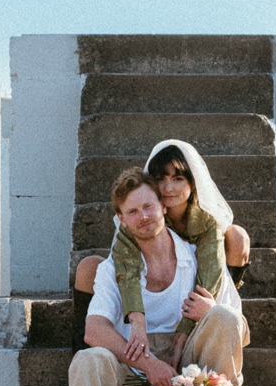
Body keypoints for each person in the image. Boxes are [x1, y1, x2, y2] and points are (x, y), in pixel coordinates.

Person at [57, 167, 249, 386]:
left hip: (190, 364)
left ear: (162, 206)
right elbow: (94, 329)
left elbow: (237, 323)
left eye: (148, 206)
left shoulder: (197, 256)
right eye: (132, 211)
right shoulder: (114, 266)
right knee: (88, 359)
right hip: (134, 367)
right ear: (121, 219)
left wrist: (211, 308)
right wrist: (149, 364)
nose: (143, 217)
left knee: (223, 317)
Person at [73, 140, 251, 356]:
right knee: (88, 267)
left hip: (199, 286)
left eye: (178, 179)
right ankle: (81, 355)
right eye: (160, 179)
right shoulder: (143, 217)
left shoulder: (206, 224)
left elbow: (209, 276)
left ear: (192, 183)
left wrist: (205, 316)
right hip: (151, 282)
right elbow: (126, 267)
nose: (168, 188)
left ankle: (222, 319)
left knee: (237, 235)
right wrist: (137, 320)